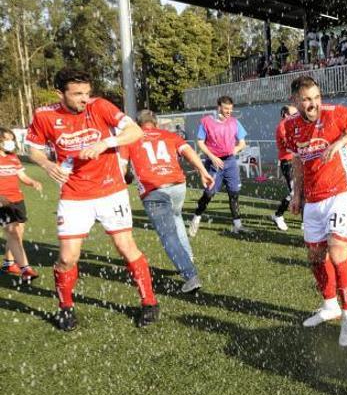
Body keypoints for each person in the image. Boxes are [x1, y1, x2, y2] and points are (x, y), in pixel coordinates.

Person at [26, 68, 158, 331]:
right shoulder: (45, 115)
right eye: (77, 94)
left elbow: (135, 132)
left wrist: (106, 142)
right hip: (74, 194)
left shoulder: (99, 106)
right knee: (66, 258)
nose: (84, 99)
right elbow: (33, 149)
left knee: (125, 246)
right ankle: (65, 308)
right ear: (60, 94)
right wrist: (46, 163)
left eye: (87, 93)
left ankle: (149, 302)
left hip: (111, 190)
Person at [284, 75, 347, 347]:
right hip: (313, 200)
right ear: (295, 101)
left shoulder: (335, 113)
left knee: (337, 251)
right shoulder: (290, 127)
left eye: (316, 97)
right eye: (306, 99)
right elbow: (300, 163)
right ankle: (330, 305)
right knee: (315, 255)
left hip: (342, 192)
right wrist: (297, 195)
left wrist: (340, 142)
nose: (313, 104)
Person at [120, 110, 215, 293]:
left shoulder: (130, 138)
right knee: (177, 217)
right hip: (177, 185)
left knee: (168, 235)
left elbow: (122, 167)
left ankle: (190, 275)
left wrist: (126, 178)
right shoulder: (168, 135)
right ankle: (186, 257)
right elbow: (187, 151)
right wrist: (203, 171)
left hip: (154, 190)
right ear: (155, 124)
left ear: (138, 125)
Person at [188, 96, 248, 236]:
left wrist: (233, 151)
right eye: (226, 109)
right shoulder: (207, 121)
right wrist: (212, 157)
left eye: (231, 109)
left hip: (230, 162)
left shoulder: (234, 122)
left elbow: (242, 142)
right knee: (209, 193)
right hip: (214, 162)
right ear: (219, 107)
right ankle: (196, 219)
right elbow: (200, 142)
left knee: (234, 193)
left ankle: (237, 225)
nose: (229, 112)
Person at [0, 127, 42, 282]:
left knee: (18, 233)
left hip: (17, 200)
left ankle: (8, 263)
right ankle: (26, 269)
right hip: (2, 203)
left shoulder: (13, 158)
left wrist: (33, 182)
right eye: (6, 139)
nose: (10, 142)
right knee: (13, 232)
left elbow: (22, 176)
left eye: (12, 139)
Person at [272, 105, 298, 231]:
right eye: (294, 114)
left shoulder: (292, 125)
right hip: (288, 162)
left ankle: (307, 222)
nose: (297, 115)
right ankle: (278, 215)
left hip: (296, 162)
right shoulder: (283, 126)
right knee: (294, 192)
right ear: (286, 115)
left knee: (303, 191)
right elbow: (292, 145)